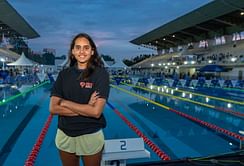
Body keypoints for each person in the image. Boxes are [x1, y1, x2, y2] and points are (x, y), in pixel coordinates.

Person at [49, 33, 110, 166]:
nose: (82, 51)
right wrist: (86, 107)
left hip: (90, 134)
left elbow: (96, 112)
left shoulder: (100, 74)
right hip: (65, 134)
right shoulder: (64, 75)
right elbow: (53, 108)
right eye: (78, 47)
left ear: (92, 51)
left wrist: (65, 103)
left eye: (86, 47)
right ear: (72, 51)